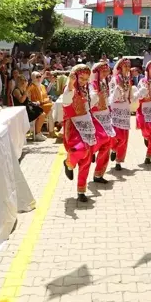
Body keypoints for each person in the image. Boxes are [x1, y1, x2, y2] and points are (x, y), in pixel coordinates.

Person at [62, 65, 97, 202]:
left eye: (86, 79)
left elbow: (89, 105)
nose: (83, 81)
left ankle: (81, 190)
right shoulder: (70, 88)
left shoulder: (86, 88)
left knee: (87, 160)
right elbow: (66, 101)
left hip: (87, 123)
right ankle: (69, 163)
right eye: (81, 78)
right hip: (74, 125)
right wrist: (70, 83)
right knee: (79, 150)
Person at [84, 62, 116, 182]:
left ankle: (98, 174)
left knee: (107, 144)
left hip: (106, 116)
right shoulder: (91, 85)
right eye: (103, 71)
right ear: (96, 72)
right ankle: (91, 152)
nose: (105, 73)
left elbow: (107, 100)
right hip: (95, 117)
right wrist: (96, 96)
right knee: (100, 140)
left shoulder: (104, 83)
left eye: (106, 71)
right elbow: (90, 103)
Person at [108, 58, 136, 171]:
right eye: (125, 66)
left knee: (124, 138)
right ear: (120, 67)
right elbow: (111, 97)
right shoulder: (115, 79)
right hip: (116, 110)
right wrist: (118, 90)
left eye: (129, 66)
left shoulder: (129, 80)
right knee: (115, 135)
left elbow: (131, 96)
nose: (128, 68)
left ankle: (119, 161)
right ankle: (113, 149)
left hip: (125, 110)